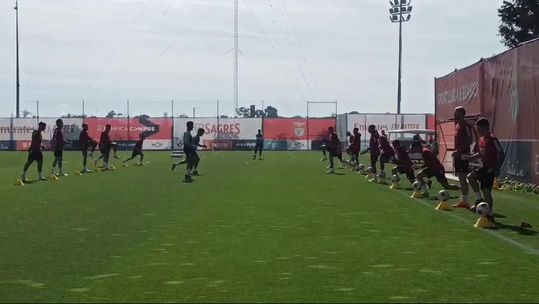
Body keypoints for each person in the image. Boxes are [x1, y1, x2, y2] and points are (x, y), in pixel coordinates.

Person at [462, 118, 504, 223]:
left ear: (484, 127)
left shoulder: (493, 139)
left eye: (478, 128)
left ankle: (490, 214)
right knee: (470, 177)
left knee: (486, 191)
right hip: (483, 167)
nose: (477, 130)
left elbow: (501, 153)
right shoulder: (481, 139)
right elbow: (480, 154)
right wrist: (469, 157)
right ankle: (479, 200)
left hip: (490, 170)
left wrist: (496, 168)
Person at [452, 106, 475, 208]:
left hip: (463, 155)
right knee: (460, 178)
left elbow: (469, 141)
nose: (454, 114)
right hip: (458, 155)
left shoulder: (466, 125)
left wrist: (459, 151)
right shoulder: (457, 125)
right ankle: (463, 199)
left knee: (462, 177)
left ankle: (466, 201)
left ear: (461, 113)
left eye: (455, 112)